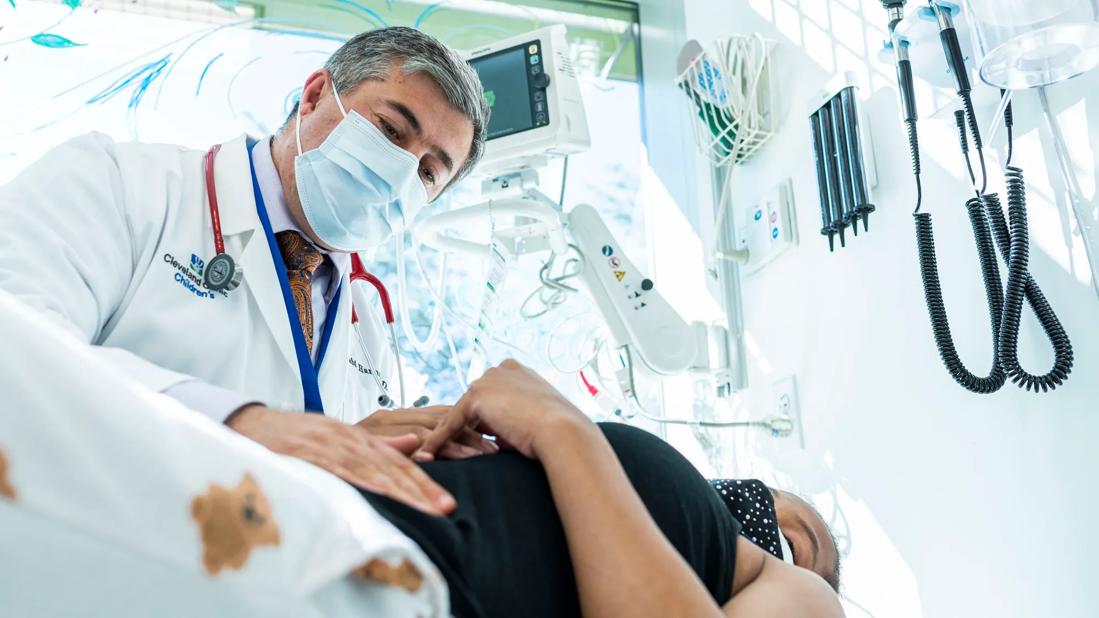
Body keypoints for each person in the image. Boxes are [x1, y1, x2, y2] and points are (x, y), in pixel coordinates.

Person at [0, 27, 495, 516]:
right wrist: (243, 426)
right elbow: (18, 343)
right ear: (316, 95)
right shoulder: (117, 184)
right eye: (390, 130)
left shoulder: (366, 325)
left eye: (429, 172)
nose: (402, 171)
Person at [350, 359, 845, 617]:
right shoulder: (630, 487)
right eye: (771, 496)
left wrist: (562, 430)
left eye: (792, 543)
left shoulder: (798, 594)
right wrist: (351, 439)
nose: (754, 509)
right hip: (323, 516)